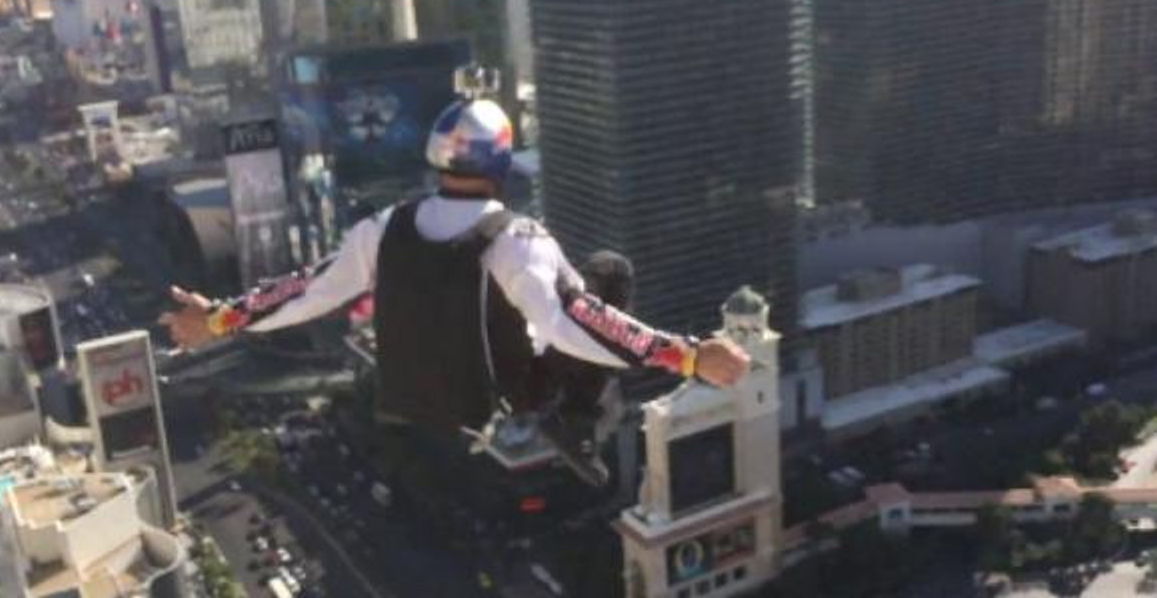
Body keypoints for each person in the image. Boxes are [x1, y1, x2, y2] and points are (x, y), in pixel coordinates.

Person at [159, 67, 752, 487]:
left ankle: (567, 416)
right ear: (500, 163)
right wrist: (688, 355)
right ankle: (575, 422)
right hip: (511, 392)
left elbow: (306, 290)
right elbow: (577, 320)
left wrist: (218, 318)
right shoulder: (517, 240)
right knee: (607, 273)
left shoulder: (382, 228)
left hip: (424, 397)